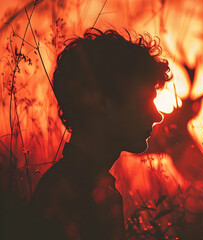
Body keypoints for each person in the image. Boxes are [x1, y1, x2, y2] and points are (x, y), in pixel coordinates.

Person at [30, 28, 171, 240]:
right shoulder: (72, 195)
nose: (157, 116)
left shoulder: (87, 186)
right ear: (101, 103)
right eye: (144, 100)